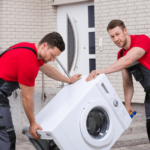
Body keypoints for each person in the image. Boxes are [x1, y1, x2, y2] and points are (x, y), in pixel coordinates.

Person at [0, 32, 81, 150]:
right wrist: (33, 124)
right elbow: (27, 98)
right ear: (44, 45)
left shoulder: (28, 48)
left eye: (55, 57)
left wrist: (68, 80)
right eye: (52, 55)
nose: (53, 59)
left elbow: (47, 69)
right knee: (6, 137)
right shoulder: (29, 62)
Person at [86, 20, 150, 142]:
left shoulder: (142, 40)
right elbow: (127, 81)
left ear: (125, 31)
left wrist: (102, 71)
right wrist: (127, 104)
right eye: (112, 36)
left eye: (118, 34)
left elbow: (129, 60)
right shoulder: (120, 55)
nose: (116, 39)